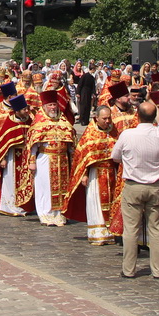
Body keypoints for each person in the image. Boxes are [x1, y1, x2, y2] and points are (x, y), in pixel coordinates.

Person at [110, 99, 159, 279]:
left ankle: (129, 269)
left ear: (137, 116)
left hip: (133, 185)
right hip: (155, 186)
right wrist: (154, 101)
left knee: (131, 229)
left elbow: (115, 157)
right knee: (156, 229)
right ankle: (158, 270)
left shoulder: (127, 135)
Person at [65, 105, 120, 245]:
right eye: (105, 118)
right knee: (95, 202)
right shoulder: (90, 134)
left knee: (113, 202)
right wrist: (83, 174)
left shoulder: (114, 131)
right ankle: (98, 233)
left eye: (109, 118)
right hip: (96, 174)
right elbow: (81, 157)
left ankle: (111, 232)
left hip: (112, 173)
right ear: (96, 118)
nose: (108, 121)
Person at [26, 97, 75, 226]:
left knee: (62, 187)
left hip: (62, 159)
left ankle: (59, 213)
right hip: (45, 158)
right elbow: (32, 144)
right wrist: (32, 161)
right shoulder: (39, 122)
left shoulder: (63, 121)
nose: (53, 108)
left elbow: (71, 141)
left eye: (54, 105)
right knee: (45, 187)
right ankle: (45, 214)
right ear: (45, 106)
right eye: (50, 105)